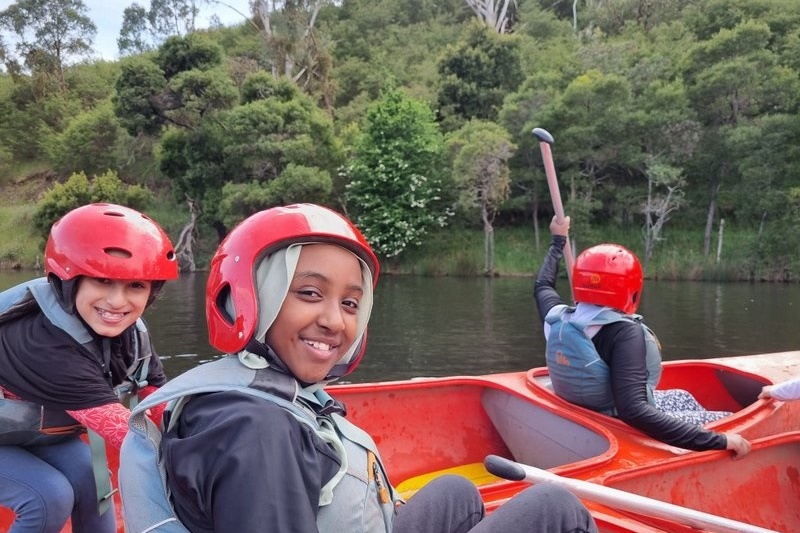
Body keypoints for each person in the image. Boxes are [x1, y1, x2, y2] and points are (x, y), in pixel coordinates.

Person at [120, 203, 599, 533]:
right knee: (554, 508)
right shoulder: (255, 430)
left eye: (351, 302)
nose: (333, 320)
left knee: (455, 493)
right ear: (248, 296)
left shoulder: (245, 389)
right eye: (309, 293)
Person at [0, 203, 179, 533]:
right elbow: (127, 432)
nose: (117, 301)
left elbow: (156, 399)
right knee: (48, 497)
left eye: (135, 286)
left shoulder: (133, 334)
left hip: (34, 433)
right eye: (101, 280)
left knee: (95, 480)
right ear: (69, 281)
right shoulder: (44, 343)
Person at [534, 215, 751, 457]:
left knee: (683, 395)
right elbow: (634, 411)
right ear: (631, 288)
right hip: (616, 424)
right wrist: (719, 441)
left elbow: (543, 286)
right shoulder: (624, 332)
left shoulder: (557, 319)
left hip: (586, 410)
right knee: (728, 419)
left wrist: (557, 241)